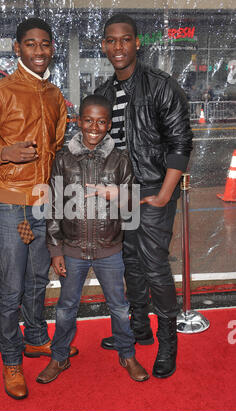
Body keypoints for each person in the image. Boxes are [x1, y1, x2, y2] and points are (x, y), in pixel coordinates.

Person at [0, 17, 78, 400]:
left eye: (45, 44)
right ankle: (11, 359)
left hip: (42, 204)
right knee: (11, 287)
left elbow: (58, 147)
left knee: (36, 280)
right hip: (10, 206)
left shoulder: (53, 94)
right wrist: (4, 153)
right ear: (17, 48)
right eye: (31, 44)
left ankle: (34, 339)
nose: (39, 51)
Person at [95, 13, 193, 378]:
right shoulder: (104, 92)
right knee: (130, 265)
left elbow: (181, 143)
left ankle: (169, 343)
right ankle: (140, 329)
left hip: (153, 192)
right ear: (104, 45)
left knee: (153, 267)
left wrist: (165, 194)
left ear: (137, 43)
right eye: (111, 40)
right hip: (119, 195)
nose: (117, 46)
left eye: (125, 39)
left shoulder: (160, 86)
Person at [36, 94, 149, 384]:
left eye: (101, 122)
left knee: (120, 307)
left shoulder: (120, 159)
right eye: (88, 120)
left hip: (109, 249)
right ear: (78, 121)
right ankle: (59, 357)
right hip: (72, 250)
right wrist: (55, 249)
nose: (94, 127)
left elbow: (132, 204)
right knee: (65, 308)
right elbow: (53, 207)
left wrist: (118, 194)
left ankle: (127, 353)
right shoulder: (63, 159)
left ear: (109, 124)